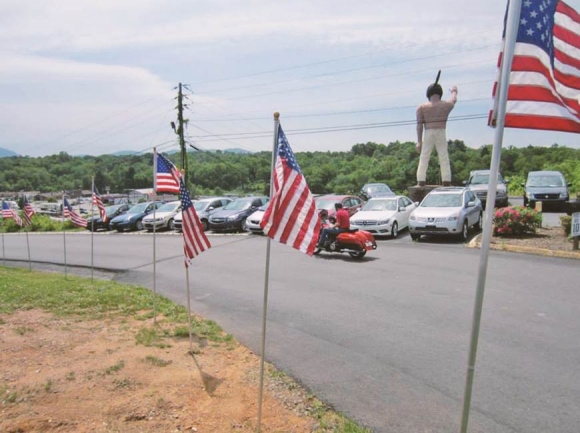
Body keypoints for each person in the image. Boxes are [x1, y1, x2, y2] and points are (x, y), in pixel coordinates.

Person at [416, 78, 458, 187]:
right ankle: (446, 180)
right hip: (441, 131)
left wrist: (419, 141)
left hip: (428, 132)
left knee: (424, 156)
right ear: (440, 93)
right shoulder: (445, 105)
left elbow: (419, 126)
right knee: (443, 156)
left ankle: (421, 180)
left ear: (428, 94)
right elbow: (453, 100)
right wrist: (454, 91)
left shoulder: (422, 107)